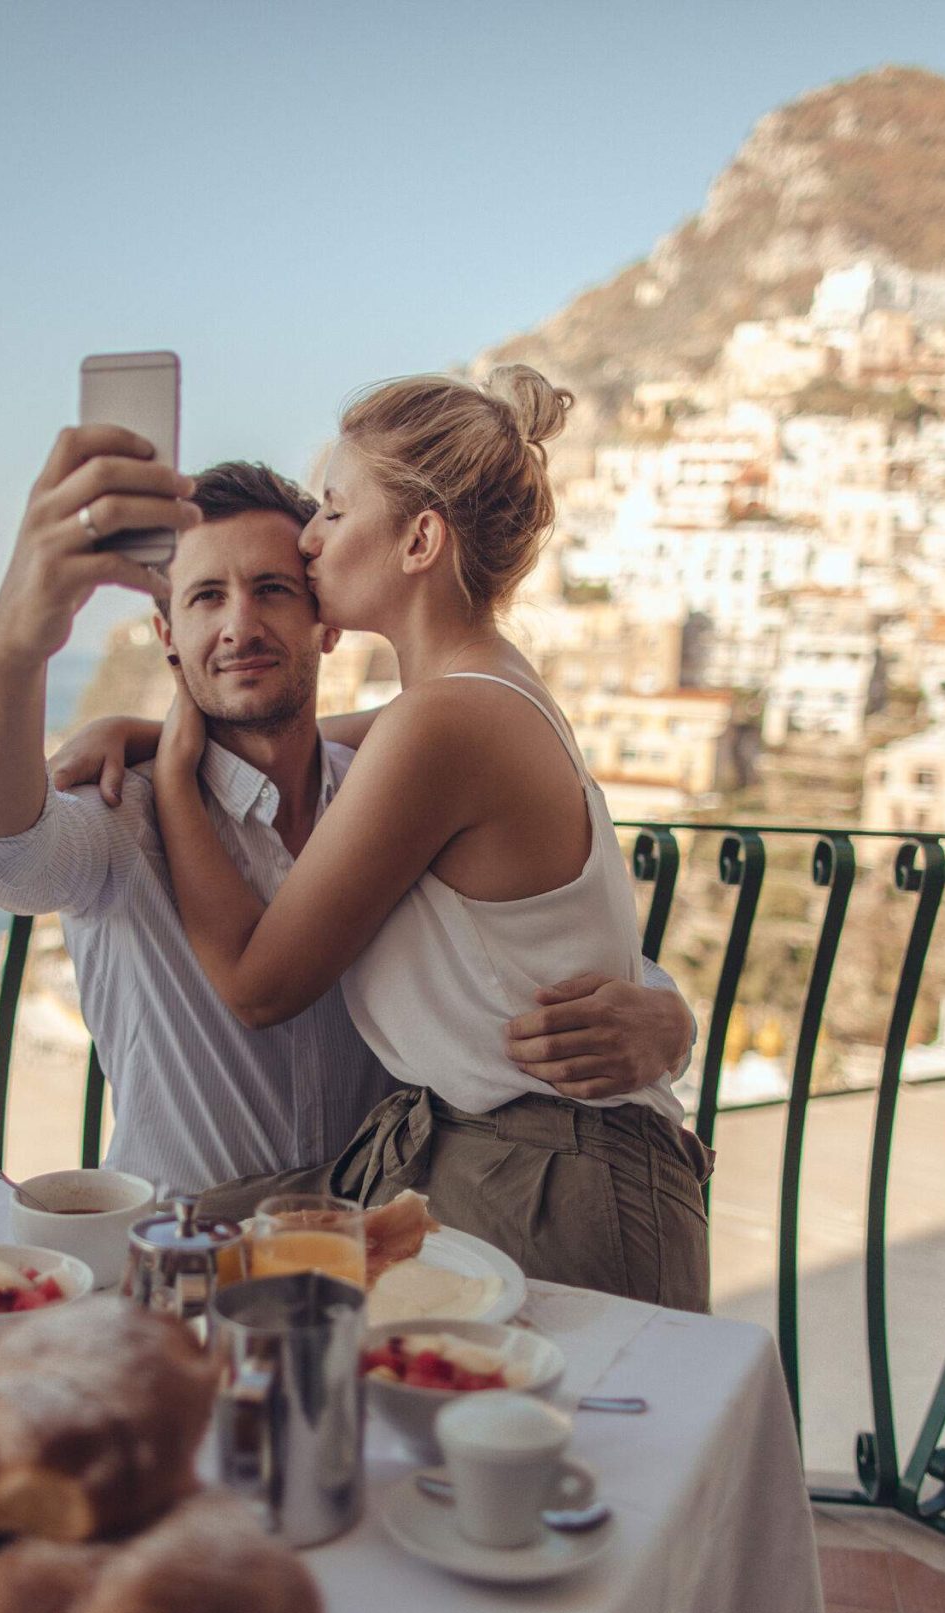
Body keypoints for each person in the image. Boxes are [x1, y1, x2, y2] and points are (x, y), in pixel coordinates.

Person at [0, 424, 694, 1206]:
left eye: (272, 590)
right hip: (184, 1263)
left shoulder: (398, 791)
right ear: (168, 637)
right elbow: (2, 848)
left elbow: (529, 936)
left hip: (384, 1264)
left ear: (329, 620)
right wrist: (14, 640)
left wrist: (666, 1016)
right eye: (207, 596)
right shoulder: (126, 809)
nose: (240, 624)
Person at [141, 368, 713, 1309]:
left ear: (419, 538)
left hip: (546, 1184)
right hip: (526, 1165)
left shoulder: (441, 724)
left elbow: (257, 983)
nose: (310, 538)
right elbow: (316, 738)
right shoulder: (480, 691)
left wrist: (168, 775)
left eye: (330, 509)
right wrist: (152, 733)